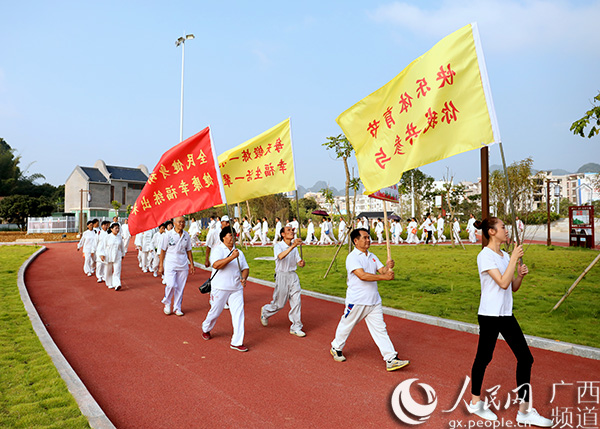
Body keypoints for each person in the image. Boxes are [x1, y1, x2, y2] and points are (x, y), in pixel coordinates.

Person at [468, 217, 552, 427]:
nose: (507, 230)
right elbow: (503, 283)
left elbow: (512, 286)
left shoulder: (504, 255)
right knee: (484, 358)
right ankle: (475, 402)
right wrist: (514, 258)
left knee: (526, 358)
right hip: (489, 315)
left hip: (505, 314)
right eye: (503, 227)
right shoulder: (484, 256)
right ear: (492, 232)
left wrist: (520, 276)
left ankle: (524, 411)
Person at [330, 228, 410, 372]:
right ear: (356, 241)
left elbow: (382, 271)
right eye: (365, 238)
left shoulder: (372, 256)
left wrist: (388, 267)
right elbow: (363, 276)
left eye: (369, 237)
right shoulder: (352, 257)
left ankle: (391, 359)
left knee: (380, 330)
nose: (368, 240)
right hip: (357, 301)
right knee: (347, 325)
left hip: (374, 301)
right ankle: (336, 347)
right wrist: (384, 277)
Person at [201, 227, 250, 352]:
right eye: (230, 235)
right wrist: (232, 257)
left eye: (234, 235)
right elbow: (216, 265)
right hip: (220, 287)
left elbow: (245, 268)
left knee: (239, 314)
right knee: (215, 312)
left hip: (236, 288)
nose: (233, 237)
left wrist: (244, 278)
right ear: (223, 237)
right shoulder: (218, 249)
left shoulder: (238, 252)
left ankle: (237, 342)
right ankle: (206, 328)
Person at [260, 225, 306, 336]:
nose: (292, 232)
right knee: (279, 304)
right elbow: (280, 257)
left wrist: (301, 263)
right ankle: (265, 312)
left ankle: (296, 326)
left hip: (293, 276)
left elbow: (298, 261)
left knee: (296, 301)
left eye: (292, 230)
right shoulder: (278, 246)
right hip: (281, 276)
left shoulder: (294, 248)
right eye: (288, 230)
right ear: (283, 234)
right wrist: (293, 246)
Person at [158, 216, 194, 316]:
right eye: (179, 222)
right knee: (171, 284)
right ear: (174, 223)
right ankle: (167, 303)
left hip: (183, 264)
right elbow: (163, 250)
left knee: (180, 287)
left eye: (183, 222)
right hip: (170, 263)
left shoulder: (186, 235)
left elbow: (189, 250)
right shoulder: (168, 235)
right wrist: (161, 265)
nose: (181, 224)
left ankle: (177, 307)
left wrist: (192, 264)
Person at [100, 223, 125, 290]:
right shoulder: (107, 237)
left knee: (117, 270)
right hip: (108, 255)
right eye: (116, 228)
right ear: (111, 229)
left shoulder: (120, 237)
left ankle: (117, 284)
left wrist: (123, 254)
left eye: (118, 228)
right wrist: (102, 254)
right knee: (108, 270)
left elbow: (122, 246)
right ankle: (109, 283)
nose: (117, 230)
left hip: (117, 255)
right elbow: (103, 246)